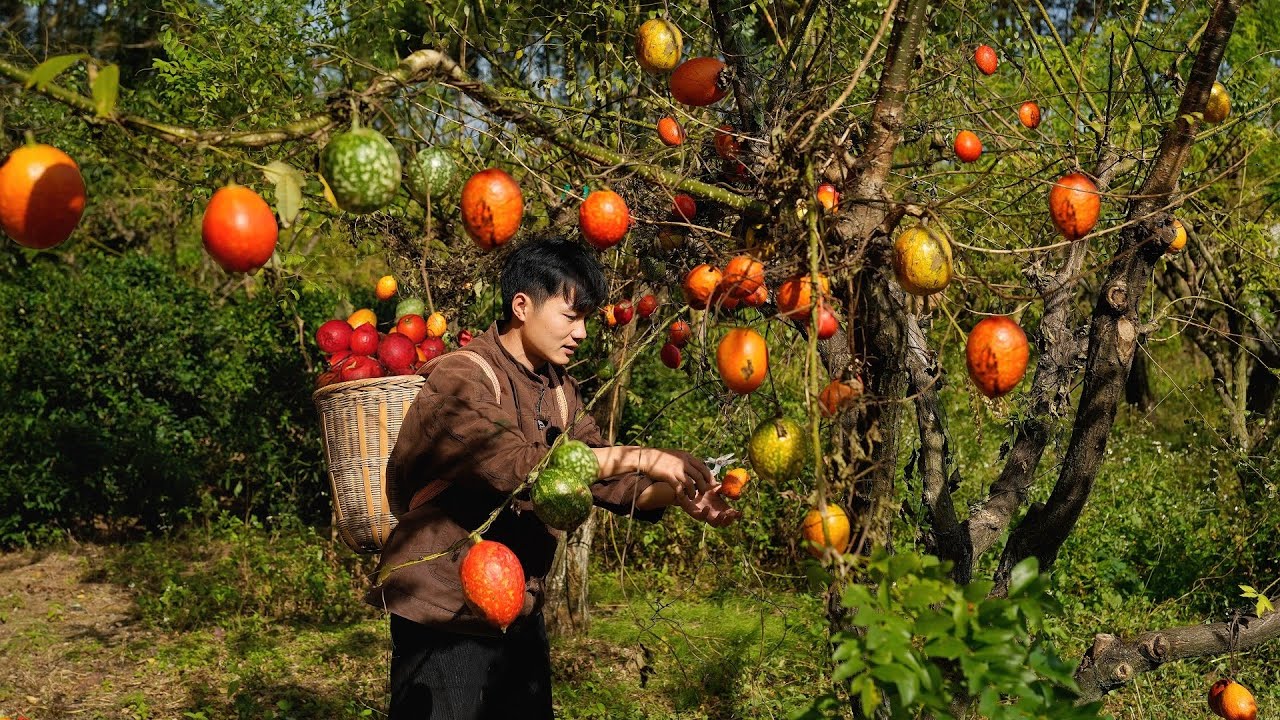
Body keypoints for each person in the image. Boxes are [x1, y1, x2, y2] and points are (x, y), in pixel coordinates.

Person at [368, 236, 740, 720]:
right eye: (571, 316)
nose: (581, 333)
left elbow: (605, 477)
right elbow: (518, 466)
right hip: (443, 608)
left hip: (516, 609)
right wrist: (644, 456)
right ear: (522, 306)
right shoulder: (461, 376)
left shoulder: (561, 390)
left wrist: (679, 493)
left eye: (586, 319)